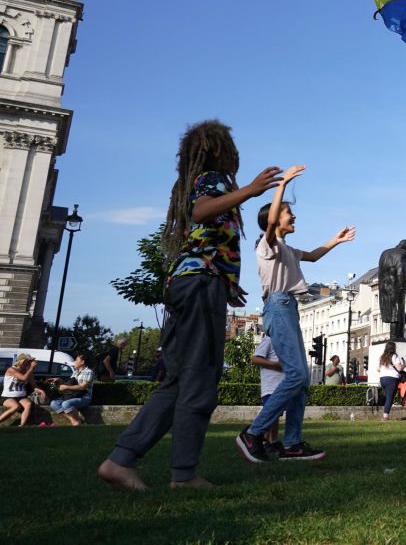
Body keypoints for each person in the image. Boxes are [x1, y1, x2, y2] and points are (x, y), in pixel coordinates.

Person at [99, 120, 282, 491]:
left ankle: (121, 460)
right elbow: (202, 213)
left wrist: (227, 282)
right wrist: (249, 190)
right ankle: (183, 475)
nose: (235, 154)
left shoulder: (201, 180)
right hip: (199, 287)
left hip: (195, 283)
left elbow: (201, 236)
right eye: (229, 146)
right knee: (200, 380)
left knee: (178, 381)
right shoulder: (212, 179)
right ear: (218, 149)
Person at [237, 164, 355, 463]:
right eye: (289, 212)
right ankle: (253, 434)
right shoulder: (268, 245)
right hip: (277, 306)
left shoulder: (287, 250)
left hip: (289, 308)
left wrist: (335, 241)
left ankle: (292, 444)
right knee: (297, 375)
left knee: (301, 380)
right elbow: (272, 224)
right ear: (276, 219)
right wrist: (282, 185)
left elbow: (313, 255)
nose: (294, 216)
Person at [251, 334, 285, 455]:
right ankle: (263, 441)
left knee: (275, 417)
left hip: (280, 387)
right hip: (270, 387)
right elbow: (255, 358)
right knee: (271, 416)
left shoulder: (284, 343)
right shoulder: (269, 340)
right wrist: (275, 365)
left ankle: (272, 441)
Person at [47, 351, 95, 426]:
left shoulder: (88, 372)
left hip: (84, 398)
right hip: (72, 396)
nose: (74, 362)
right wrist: (59, 380)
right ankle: (74, 421)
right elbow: (70, 383)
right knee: (53, 403)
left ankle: (77, 422)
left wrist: (66, 387)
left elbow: (83, 387)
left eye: (76, 360)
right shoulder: (76, 372)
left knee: (66, 404)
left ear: (82, 362)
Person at [0, 353, 36, 427]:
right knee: (15, 407)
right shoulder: (11, 369)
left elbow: (34, 385)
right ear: (22, 361)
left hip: (21, 396)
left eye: (30, 362)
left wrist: (42, 391)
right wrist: (31, 368)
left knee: (28, 404)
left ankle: (21, 426)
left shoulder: (28, 371)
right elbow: (23, 378)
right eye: (28, 361)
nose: (29, 363)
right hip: (7, 396)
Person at [377, 342, 405, 421]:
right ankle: (385, 416)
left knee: (388, 397)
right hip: (392, 379)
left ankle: (386, 415)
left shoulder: (382, 357)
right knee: (390, 398)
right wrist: (404, 365)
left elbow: (378, 369)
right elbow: (399, 368)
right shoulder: (394, 356)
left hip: (382, 378)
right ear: (393, 348)